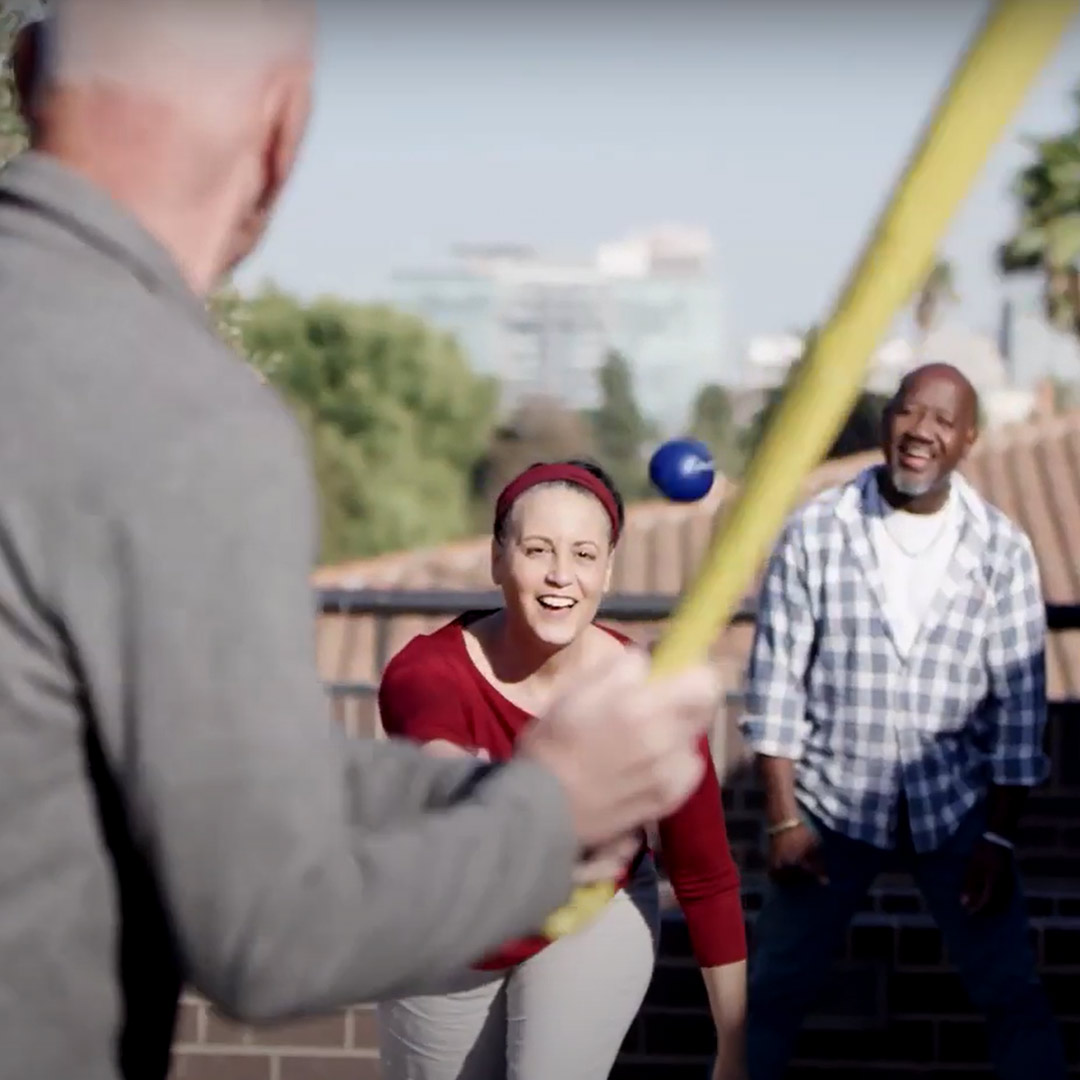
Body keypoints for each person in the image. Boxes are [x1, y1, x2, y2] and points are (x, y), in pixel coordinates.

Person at [0, 6, 725, 1080]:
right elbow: (264, 931)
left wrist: (489, 794)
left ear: (24, 73)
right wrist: (551, 809)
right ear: (283, 127)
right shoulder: (178, 413)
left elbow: (162, 769)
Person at [740, 363, 1066, 1079]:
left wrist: (998, 836)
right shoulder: (817, 531)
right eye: (909, 412)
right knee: (768, 997)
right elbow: (776, 686)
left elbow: (1019, 708)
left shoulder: (1001, 549)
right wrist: (783, 820)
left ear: (968, 440)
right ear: (887, 420)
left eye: (943, 421)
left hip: (956, 814)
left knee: (1013, 994)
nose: (922, 431)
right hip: (829, 809)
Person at [375, 459, 748, 1080]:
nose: (560, 576)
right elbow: (449, 780)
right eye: (537, 549)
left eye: (582, 554)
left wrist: (735, 1048)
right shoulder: (426, 673)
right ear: (498, 560)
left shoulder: (642, 695)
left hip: (590, 915)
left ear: (607, 568)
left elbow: (704, 873)